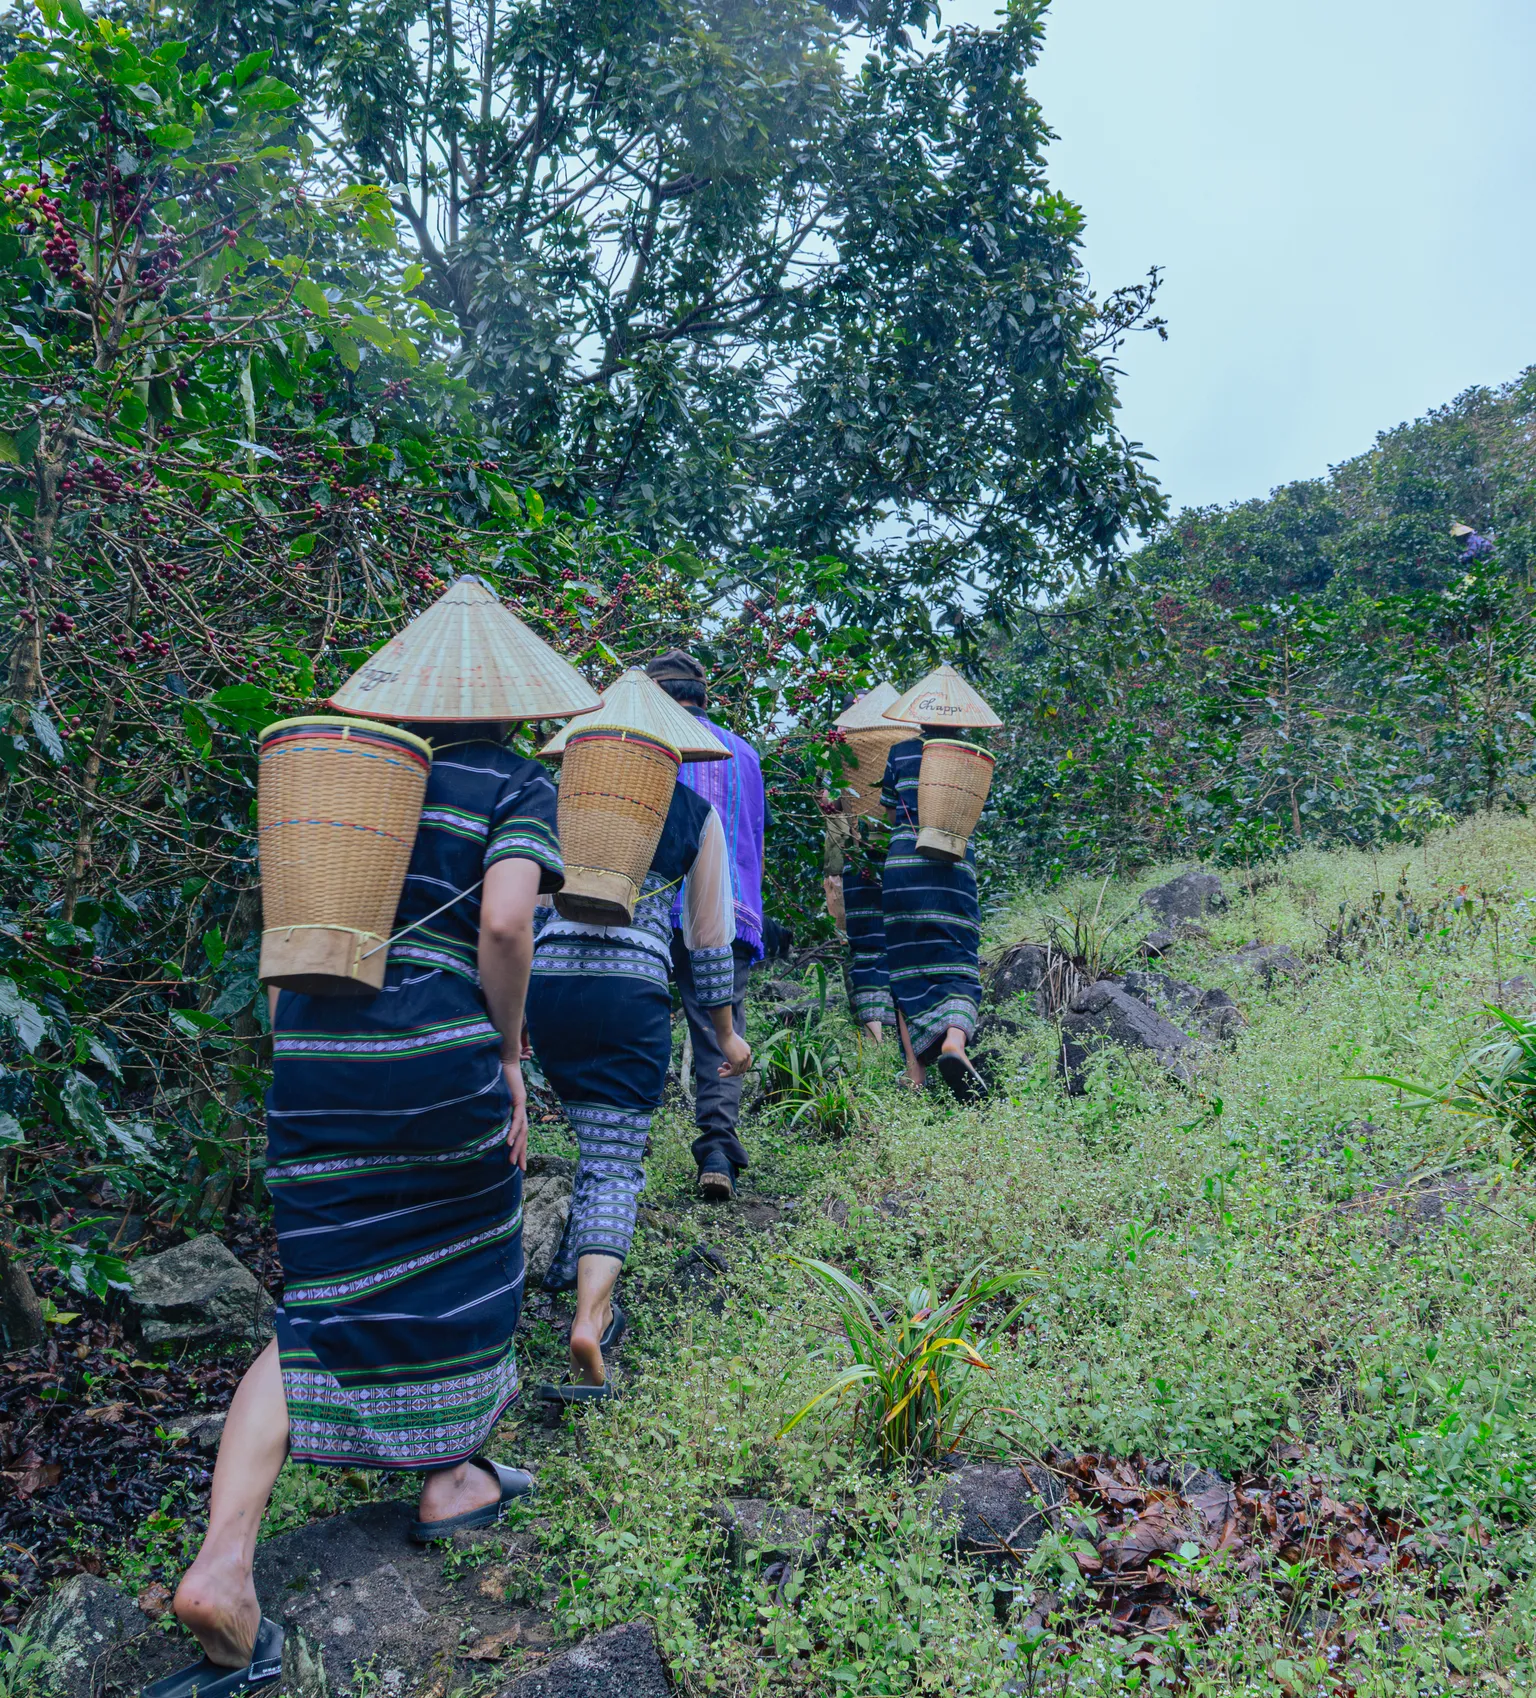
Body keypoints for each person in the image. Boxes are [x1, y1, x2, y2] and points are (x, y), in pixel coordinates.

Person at [157, 578, 593, 1695]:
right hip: (435, 1056)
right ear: (516, 704)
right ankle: (450, 1480)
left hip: (316, 1058)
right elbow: (503, 921)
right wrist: (505, 1055)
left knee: (319, 1304)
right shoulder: (514, 781)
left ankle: (225, 1563)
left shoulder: (349, 786)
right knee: (471, 1258)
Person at [525, 751, 752, 1399]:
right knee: (614, 1162)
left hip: (551, 990)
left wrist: (515, 1014)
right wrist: (726, 1033)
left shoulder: (564, 797)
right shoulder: (692, 812)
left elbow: (535, 907)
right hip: (631, 994)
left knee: (584, 1141)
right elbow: (708, 938)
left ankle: (565, 1260)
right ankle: (590, 1320)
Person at [644, 650, 767, 1201]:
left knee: (639, 1017)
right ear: (702, 698)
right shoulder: (742, 753)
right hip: (726, 910)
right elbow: (753, 841)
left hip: (649, 906)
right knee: (721, 1028)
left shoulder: (643, 748)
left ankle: (624, 1143)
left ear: (654, 697)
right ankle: (717, 1148)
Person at [880, 729, 987, 1101]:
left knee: (905, 966)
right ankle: (953, 1042)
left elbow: (892, 812)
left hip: (902, 869)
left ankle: (915, 1074)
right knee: (958, 961)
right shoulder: (973, 755)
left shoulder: (900, 752)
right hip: (951, 871)